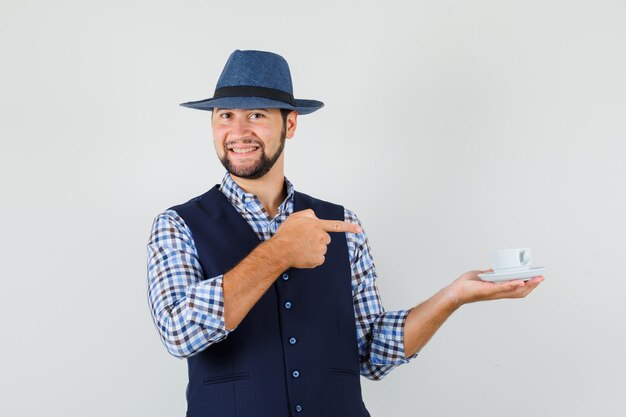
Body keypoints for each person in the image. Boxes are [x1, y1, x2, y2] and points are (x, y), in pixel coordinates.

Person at [146, 49, 544, 417]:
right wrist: (280, 251)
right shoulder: (177, 225)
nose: (238, 131)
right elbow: (180, 334)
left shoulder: (341, 224)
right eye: (225, 116)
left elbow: (372, 351)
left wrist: (453, 296)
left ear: (290, 123)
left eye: (256, 115)